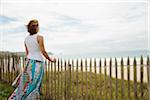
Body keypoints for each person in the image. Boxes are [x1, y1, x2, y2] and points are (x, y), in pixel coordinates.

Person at [9, 19, 56, 100]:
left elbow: (28, 53)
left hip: (29, 62)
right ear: (37, 27)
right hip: (38, 63)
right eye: (37, 25)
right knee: (35, 83)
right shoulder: (39, 37)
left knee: (26, 83)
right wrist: (50, 59)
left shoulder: (26, 39)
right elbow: (43, 51)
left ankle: (19, 97)